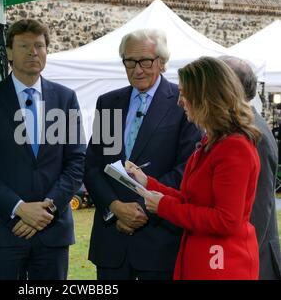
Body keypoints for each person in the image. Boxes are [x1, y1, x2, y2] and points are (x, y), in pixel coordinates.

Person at [0, 19, 85, 280]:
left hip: (53, 231)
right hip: (6, 229)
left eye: (39, 45)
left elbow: (77, 161)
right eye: (24, 45)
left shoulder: (66, 99)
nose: (33, 52)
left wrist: (47, 209)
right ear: (8, 52)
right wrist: (19, 208)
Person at [127, 56, 262, 280]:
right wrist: (147, 183)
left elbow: (226, 220)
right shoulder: (213, 142)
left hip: (222, 265)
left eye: (184, 93)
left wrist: (164, 207)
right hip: (205, 259)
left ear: (205, 97)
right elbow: (193, 200)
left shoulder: (234, 147)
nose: (180, 101)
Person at [84, 28, 202, 280]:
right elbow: (93, 165)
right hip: (111, 241)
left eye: (145, 61)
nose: (137, 69)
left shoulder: (184, 103)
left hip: (159, 240)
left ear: (161, 62)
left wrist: (139, 208)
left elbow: (186, 170)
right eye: (130, 61)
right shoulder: (108, 103)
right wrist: (115, 207)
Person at [220, 56, 281, 280]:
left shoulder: (254, 135)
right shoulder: (237, 128)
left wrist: (235, 261)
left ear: (229, 88)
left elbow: (258, 210)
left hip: (253, 265)